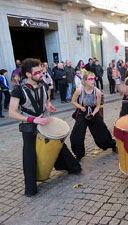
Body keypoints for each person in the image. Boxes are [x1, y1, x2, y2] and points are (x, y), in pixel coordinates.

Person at [8, 58, 81, 197]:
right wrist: (32, 119)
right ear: (28, 74)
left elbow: (46, 101)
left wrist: (49, 106)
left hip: (45, 123)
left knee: (58, 145)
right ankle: (30, 188)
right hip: (29, 126)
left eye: (41, 71)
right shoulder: (18, 90)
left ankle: (72, 167)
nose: (41, 74)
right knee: (29, 155)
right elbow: (12, 113)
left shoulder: (44, 85)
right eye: (37, 72)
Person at [70, 71, 117, 161]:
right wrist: (81, 107)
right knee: (77, 134)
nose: (93, 81)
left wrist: (93, 114)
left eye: (93, 78)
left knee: (102, 131)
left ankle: (112, 145)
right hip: (82, 112)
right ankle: (78, 154)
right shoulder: (79, 90)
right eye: (90, 79)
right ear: (85, 80)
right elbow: (73, 101)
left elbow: (98, 106)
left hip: (93, 112)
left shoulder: (97, 91)